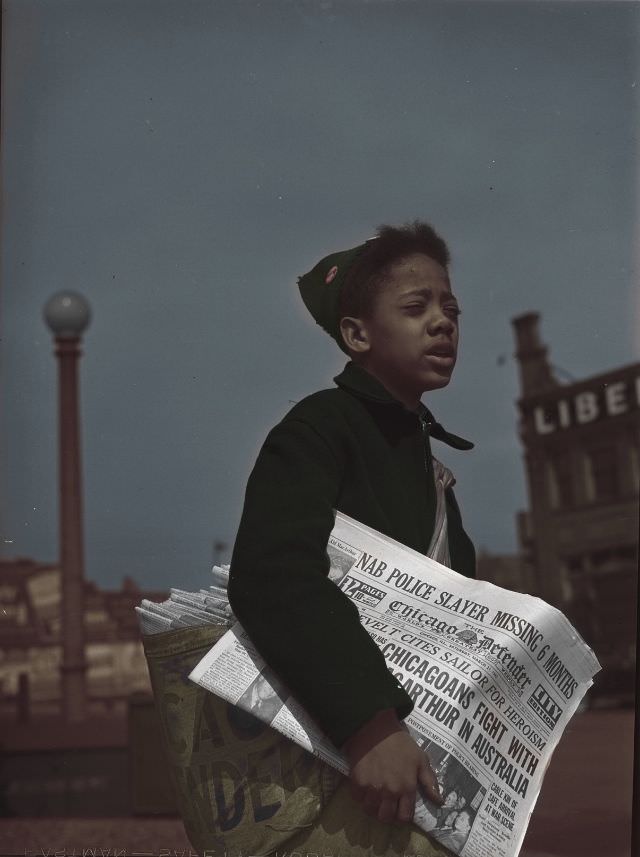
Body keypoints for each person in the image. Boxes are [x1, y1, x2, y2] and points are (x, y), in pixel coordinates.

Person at [227, 220, 476, 852]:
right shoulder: (318, 429)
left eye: (451, 308)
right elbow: (274, 576)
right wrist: (369, 725)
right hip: (347, 759)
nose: (444, 322)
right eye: (417, 306)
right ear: (357, 333)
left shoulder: (429, 465)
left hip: (419, 766)